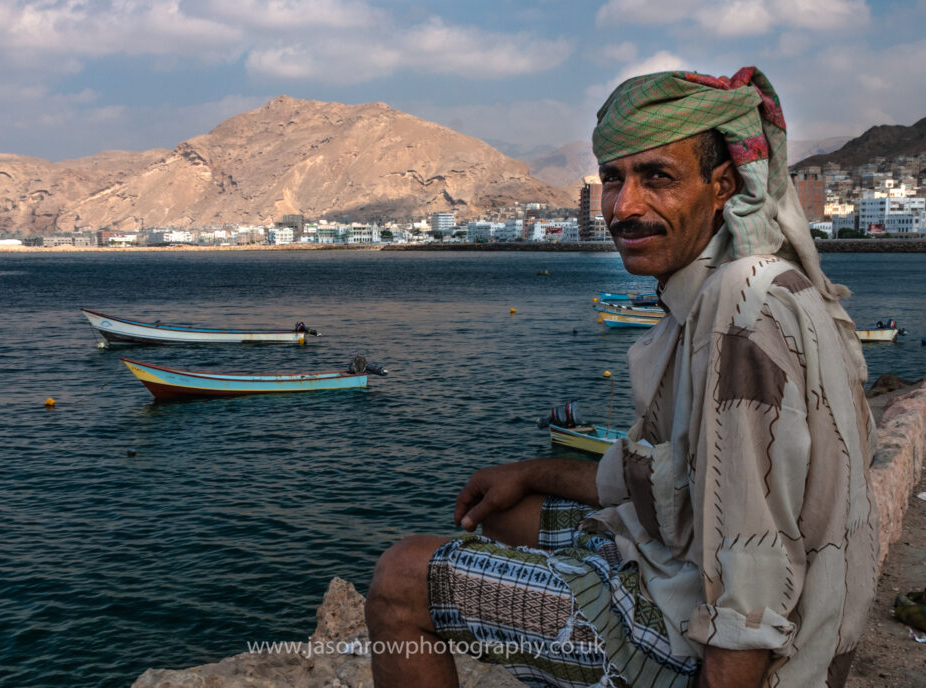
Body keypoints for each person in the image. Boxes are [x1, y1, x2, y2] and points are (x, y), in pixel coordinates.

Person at [366, 66, 878, 688]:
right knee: (507, 514)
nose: (624, 207)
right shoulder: (716, 294)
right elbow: (669, 479)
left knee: (401, 578)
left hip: (701, 644)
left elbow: (753, 579)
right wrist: (530, 473)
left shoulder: (743, 308)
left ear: (722, 186)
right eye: (614, 179)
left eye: (657, 178)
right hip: (675, 567)